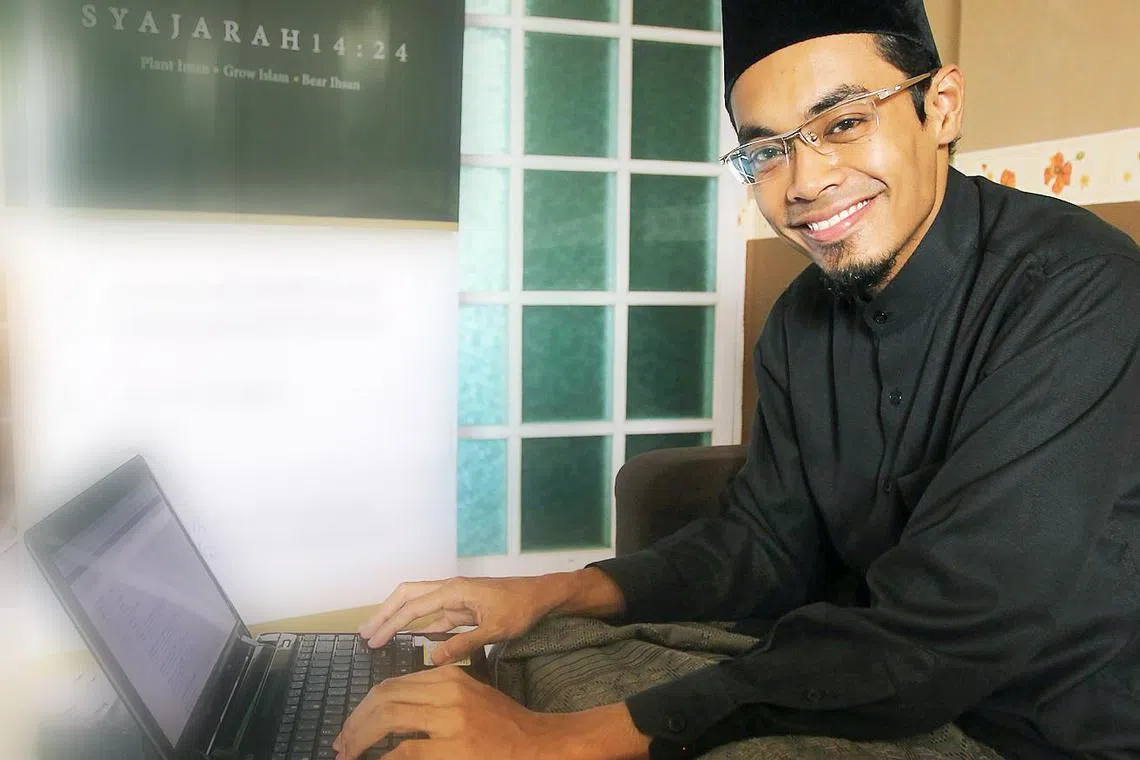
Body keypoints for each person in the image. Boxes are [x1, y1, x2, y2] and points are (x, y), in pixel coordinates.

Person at [333, 0, 1140, 757]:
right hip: (858, 660)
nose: (804, 182)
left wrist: (563, 740)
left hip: (1034, 724)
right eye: (766, 151)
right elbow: (765, 543)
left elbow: (950, 627)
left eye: (844, 123)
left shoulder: (1081, 291)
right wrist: (543, 592)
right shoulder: (802, 316)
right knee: (539, 641)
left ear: (942, 107)